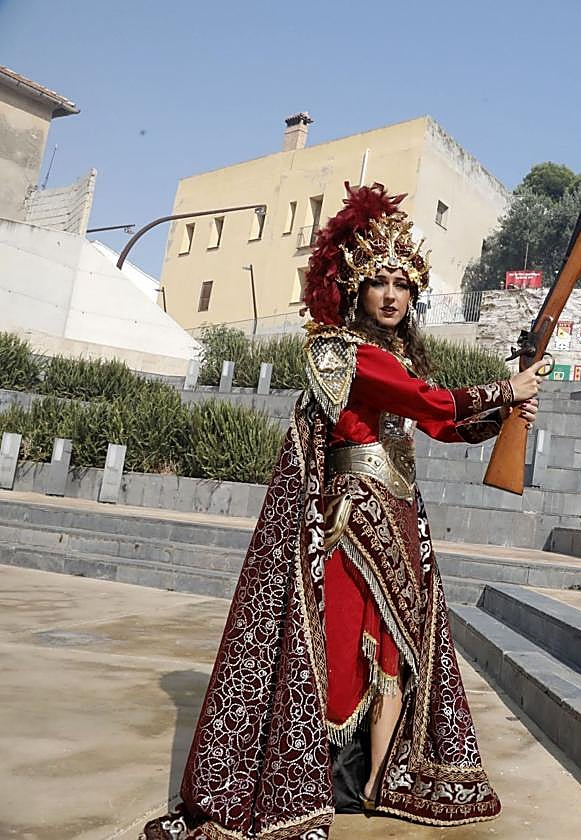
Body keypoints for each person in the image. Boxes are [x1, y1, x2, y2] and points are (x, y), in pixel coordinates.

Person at [143, 183, 540, 840]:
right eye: (377, 282)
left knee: (392, 658)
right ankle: (313, 775)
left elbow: (439, 425)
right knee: (340, 656)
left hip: (402, 525)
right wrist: (503, 387)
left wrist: (506, 411)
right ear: (354, 290)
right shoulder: (337, 349)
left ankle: (379, 782)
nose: (390, 295)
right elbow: (426, 401)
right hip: (353, 525)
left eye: (401, 284)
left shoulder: (401, 356)